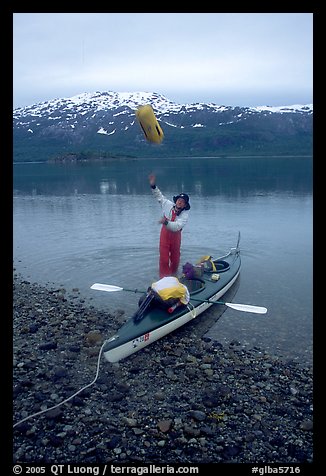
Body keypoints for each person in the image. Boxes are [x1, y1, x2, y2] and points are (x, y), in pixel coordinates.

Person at [149, 173, 190, 278]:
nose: (180, 202)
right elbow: (158, 195)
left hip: (176, 236)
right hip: (165, 235)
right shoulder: (167, 204)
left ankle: (173, 276)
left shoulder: (185, 215)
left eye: (182, 202)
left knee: (175, 259)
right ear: (176, 201)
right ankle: (164, 278)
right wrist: (153, 185)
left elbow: (177, 226)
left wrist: (165, 222)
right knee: (164, 258)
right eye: (179, 200)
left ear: (185, 205)